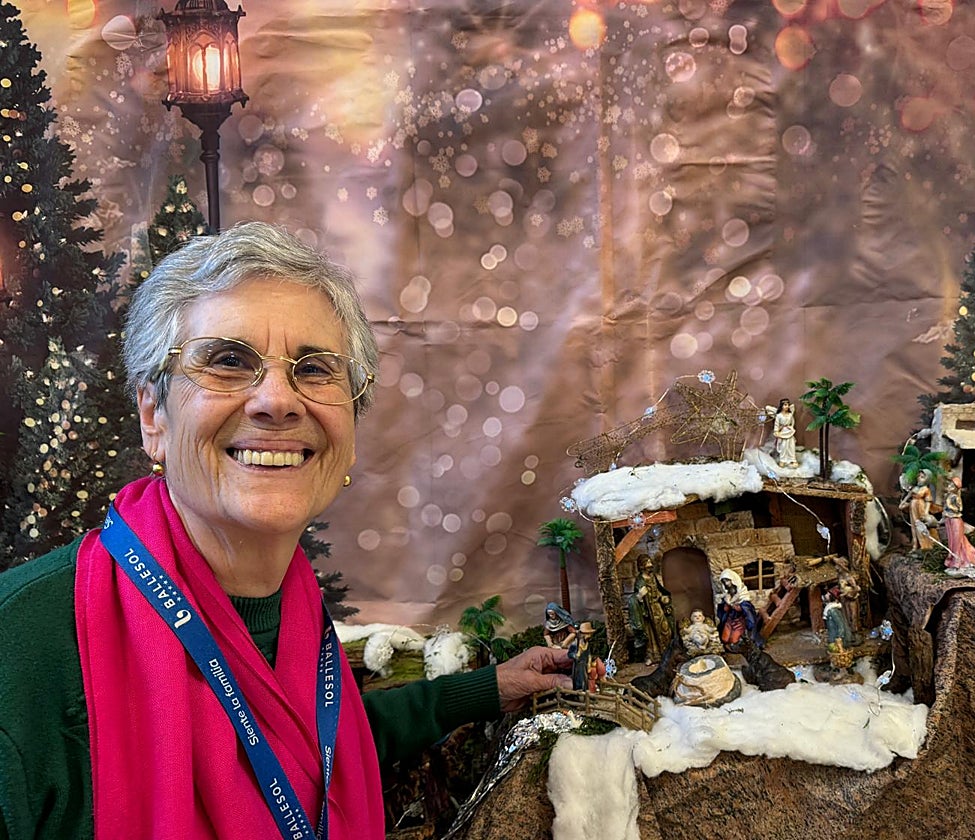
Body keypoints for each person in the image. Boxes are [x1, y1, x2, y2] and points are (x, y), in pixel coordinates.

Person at [0, 222, 572, 840]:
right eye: (228, 361)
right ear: (153, 417)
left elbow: (309, 752)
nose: (277, 400)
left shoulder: (294, 611)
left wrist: (483, 690)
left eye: (316, 369)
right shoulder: (20, 653)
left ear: (349, 429)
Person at [632, 554, 673, 665]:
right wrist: (640, 596)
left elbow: (657, 590)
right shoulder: (640, 581)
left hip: (657, 607)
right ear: (642, 566)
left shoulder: (653, 577)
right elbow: (635, 598)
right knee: (651, 635)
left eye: (650, 562)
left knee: (665, 629)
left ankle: (666, 652)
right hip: (648, 611)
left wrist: (662, 597)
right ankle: (654, 655)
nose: (650, 565)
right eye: (647, 563)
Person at [942, 475, 975, 574]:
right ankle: (952, 560)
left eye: (952, 486)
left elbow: (959, 509)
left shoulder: (956, 498)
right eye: (949, 485)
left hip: (955, 520)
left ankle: (958, 561)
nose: (949, 487)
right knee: (951, 541)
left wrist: (950, 506)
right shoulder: (948, 496)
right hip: (949, 520)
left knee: (957, 541)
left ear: (956, 488)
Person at [715, 568, 763, 649]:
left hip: (739, 622)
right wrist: (725, 606)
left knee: (734, 640)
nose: (726, 583)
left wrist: (740, 608)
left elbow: (747, 609)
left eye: (728, 581)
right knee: (724, 639)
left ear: (733, 580)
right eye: (724, 582)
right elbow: (723, 608)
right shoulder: (727, 594)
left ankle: (738, 644)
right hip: (730, 620)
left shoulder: (742, 594)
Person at [901, 469, 937, 550]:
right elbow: (908, 496)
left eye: (922, 477)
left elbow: (928, 501)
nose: (919, 478)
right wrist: (903, 503)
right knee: (913, 525)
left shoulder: (926, 489)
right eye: (919, 476)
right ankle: (915, 545)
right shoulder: (915, 488)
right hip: (912, 507)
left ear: (927, 479)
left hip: (920, 507)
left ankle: (925, 545)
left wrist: (926, 512)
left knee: (921, 525)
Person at [568, 621, 605, 692]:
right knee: (580, 679)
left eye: (589, 634)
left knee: (586, 679)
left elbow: (588, 654)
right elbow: (569, 654)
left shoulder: (587, 644)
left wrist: (589, 661)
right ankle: (579, 691)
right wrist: (575, 656)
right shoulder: (575, 644)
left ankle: (586, 691)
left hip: (585, 664)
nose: (589, 636)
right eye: (587, 634)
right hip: (578, 665)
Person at [772, 398, 798, 468]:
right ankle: (783, 460)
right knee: (783, 446)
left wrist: (791, 427)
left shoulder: (790, 414)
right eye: (785, 405)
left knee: (791, 446)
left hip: (789, 432)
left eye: (788, 405)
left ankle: (792, 459)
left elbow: (792, 422)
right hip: (783, 432)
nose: (787, 406)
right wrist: (776, 431)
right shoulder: (779, 416)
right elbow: (776, 425)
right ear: (782, 406)